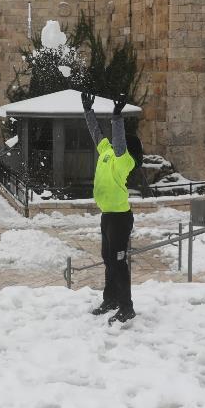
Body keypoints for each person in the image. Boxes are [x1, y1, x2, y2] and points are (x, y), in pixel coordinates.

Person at [82, 90, 138, 323]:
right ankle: (111, 299)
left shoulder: (124, 160)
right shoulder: (105, 152)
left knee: (118, 262)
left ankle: (127, 307)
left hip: (120, 218)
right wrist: (88, 111)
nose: (115, 145)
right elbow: (97, 134)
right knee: (108, 258)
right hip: (107, 216)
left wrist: (117, 116)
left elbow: (119, 142)